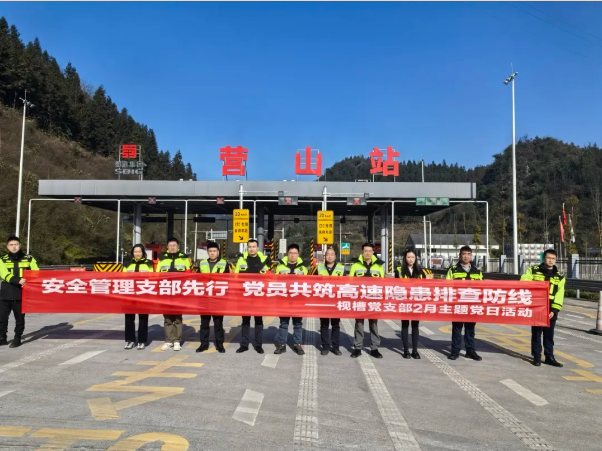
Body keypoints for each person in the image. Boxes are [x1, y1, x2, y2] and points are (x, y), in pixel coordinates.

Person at [521, 249, 565, 367]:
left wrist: (554, 310)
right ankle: (536, 356)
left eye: (553, 258)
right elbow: (524, 281)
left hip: (551, 309)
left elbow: (559, 295)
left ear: (556, 260)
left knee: (549, 335)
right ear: (543, 258)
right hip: (537, 307)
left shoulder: (559, 276)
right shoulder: (533, 270)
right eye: (548, 258)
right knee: (536, 333)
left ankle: (549, 356)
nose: (550, 260)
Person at [0, 236, 39, 348]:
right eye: (11, 245)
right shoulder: (2, 259)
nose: (14, 247)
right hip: (6, 293)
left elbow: (36, 272)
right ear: (7, 247)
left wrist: (27, 280)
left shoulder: (29, 258)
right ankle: (2, 338)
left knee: (20, 318)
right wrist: (17, 280)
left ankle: (17, 338)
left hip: (22, 293)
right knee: (2, 318)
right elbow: (3, 273)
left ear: (20, 246)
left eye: (16, 244)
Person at [446, 245, 483, 361]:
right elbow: (447, 287)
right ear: (460, 255)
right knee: (457, 328)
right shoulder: (453, 270)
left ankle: (470, 351)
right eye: (464, 254)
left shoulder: (477, 271)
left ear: (471, 256)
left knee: (470, 329)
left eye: (468, 254)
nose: (466, 256)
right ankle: (455, 351)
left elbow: (482, 288)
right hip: (458, 304)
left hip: (472, 305)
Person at [234, 239, 271, 354]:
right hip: (245, 295)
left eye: (254, 246)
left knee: (258, 321)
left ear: (257, 248)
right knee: (245, 321)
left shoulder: (264, 260)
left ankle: (258, 345)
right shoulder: (241, 260)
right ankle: (244, 345)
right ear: (247, 248)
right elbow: (235, 277)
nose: (251, 249)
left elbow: (269, 277)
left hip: (259, 295)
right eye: (249, 246)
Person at [394, 248, 432, 359]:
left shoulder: (421, 272)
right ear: (405, 258)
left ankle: (415, 351)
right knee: (405, 325)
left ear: (416, 258)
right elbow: (395, 286)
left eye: (413, 257)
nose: (411, 259)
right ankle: (406, 350)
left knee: (415, 326)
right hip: (404, 302)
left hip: (416, 303)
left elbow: (426, 287)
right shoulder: (399, 271)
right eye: (408, 257)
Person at [349, 243, 385, 359]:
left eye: (370, 251)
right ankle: (357, 348)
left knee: (373, 324)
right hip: (360, 299)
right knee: (359, 324)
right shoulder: (355, 265)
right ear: (362, 252)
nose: (368, 253)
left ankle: (374, 348)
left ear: (373, 252)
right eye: (365, 251)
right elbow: (350, 282)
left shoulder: (379, 266)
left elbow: (383, 283)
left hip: (374, 299)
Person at [156, 237, 191, 351]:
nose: (172, 247)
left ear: (178, 247)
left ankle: (177, 341)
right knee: (167, 318)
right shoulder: (162, 258)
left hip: (179, 292)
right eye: (170, 245)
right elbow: (157, 275)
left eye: (174, 245)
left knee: (177, 317)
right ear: (167, 247)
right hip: (165, 291)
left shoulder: (184, 258)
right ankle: (168, 341)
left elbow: (189, 275)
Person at [274, 244, 308, 355]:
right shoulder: (280, 266)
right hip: (284, 299)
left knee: (298, 324)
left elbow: (307, 283)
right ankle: (282, 345)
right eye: (291, 253)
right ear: (287, 254)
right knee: (283, 324)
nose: (293, 255)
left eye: (295, 253)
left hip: (298, 300)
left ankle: (298, 345)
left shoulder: (303, 268)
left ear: (298, 254)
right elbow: (275, 282)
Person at [311, 247, 345, 356]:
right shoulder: (318, 268)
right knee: (324, 325)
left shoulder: (341, 268)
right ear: (324, 256)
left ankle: (336, 347)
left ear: (335, 256)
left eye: (332, 254)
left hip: (336, 301)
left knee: (335, 325)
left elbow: (347, 284)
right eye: (327, 254)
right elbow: (311, 282)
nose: (329, 256)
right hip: (323, 301)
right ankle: (325, 346)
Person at [197, 241, 229, 354]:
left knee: (218, 323)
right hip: (204, 297)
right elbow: (197, 279)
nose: (212, 253)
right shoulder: (202, 264)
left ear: (218, 252)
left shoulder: (224, 264)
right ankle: (203, 344)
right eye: (210, 251)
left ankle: (219, 344)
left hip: (218, 298)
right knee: (204, 323)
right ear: (207, 252)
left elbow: (228, 281)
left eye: (214, 251)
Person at [123, 244, 153, 350]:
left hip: (143, 294)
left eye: (139, 251)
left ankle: (142, 341)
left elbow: (152, 278)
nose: (137, 253)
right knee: (129, 318)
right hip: (129, 294)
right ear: (132, 253)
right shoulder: (127, 264)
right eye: (135, 252)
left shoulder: (149, 264)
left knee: (143, 318)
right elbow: (122, 278)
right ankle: (130, 340)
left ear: (143, 252)